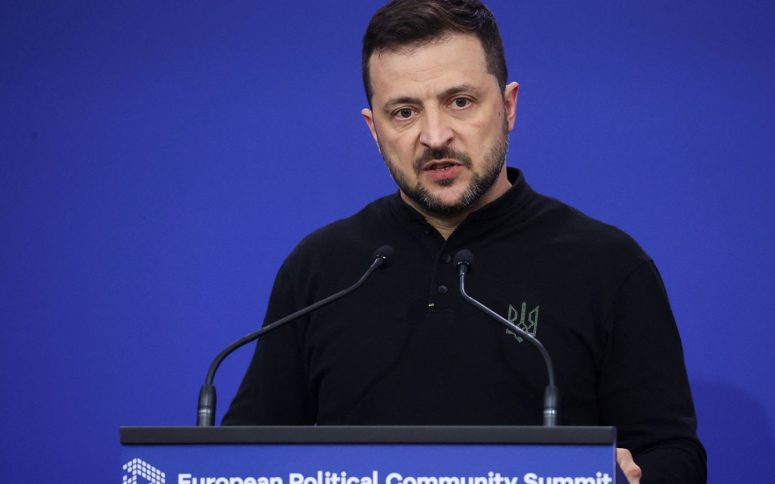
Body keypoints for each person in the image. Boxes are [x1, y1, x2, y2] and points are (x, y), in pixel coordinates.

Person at [224, 1, 706, 482]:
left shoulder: (608, 265)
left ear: (509, 105)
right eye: (405, 111)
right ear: (374, 130)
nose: (435, 136)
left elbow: (673, 453)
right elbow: (239, 457)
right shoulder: (321, 268)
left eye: (460, 101)